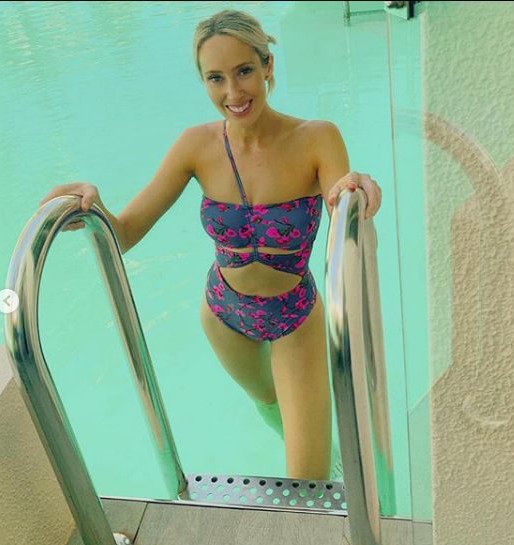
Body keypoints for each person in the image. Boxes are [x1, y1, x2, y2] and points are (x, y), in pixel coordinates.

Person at [39, 9, 381, 482]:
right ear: (203, 82)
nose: (233, 93)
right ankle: (291, 430)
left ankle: (318, 453)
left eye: (244, 71)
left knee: (308, 480)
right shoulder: (195, 147)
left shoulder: (317, 138)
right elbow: (126, 234)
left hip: (294, 317)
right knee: (269, 402)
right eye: (216, 78)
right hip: (224, 314)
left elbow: (342, 201)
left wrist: (358, 189)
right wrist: (92, 207)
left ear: (268, 66)